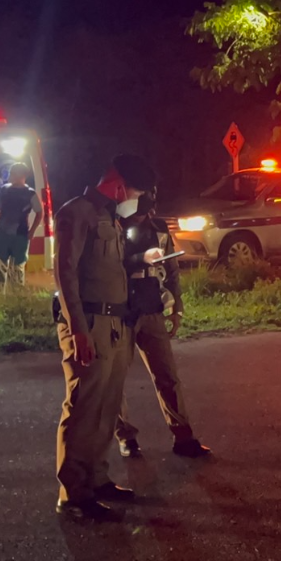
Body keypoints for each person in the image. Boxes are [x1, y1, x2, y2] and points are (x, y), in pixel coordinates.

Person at [53, 154, 156, 521]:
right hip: (90, 323)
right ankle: (74, 495)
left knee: (107, 409)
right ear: (117, 183)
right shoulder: (76, 212)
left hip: (115, 324)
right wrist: (78, 328)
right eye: (133, 192)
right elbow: (65, 274)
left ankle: (97, 479)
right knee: (83, 410)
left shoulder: (111, 216)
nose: (132, 199)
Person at [114, 188, 212, 459]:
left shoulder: (158, 228)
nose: (147, 216)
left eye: (149, 210)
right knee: (115, 381)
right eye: (141, 211)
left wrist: (176, 307)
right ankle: (125, 437)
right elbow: (108, 266)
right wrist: (139, 260)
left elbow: (171, 270)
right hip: (121, 312)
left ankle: (183, 436)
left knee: (168, 376)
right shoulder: (112, 225)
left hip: (152, 308)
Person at [0, 164, 43, 284]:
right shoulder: (4, 190)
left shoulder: (30, 194)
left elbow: (40, 213)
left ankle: (16, 295)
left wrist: (32, 231)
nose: (10, 175)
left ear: (21, 175)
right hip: (2, 233)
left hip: (20, 235)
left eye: (13, 173)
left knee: (17, 268)